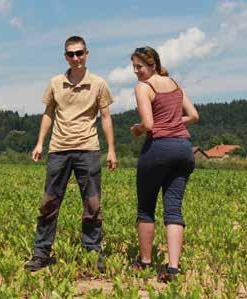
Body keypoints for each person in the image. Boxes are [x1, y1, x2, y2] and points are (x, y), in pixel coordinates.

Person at [24, 35, 117, 273]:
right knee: (49, 204)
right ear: (65, 56)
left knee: (92, 205)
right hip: (59, 149)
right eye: (70, 54)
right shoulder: (55, 82)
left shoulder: (98, 83)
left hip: (88, 149)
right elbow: (48, 114)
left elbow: (106, 118)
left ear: (87, 54)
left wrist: (111, 150)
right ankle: (41, 253)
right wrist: (39, 143)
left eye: (79, 53)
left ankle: (93, 253)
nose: (75, 58)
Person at [129, 46, 199, 282]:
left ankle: (146, 262)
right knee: (173, 208)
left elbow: (148, 124)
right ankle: (173, 269)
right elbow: (194, 116)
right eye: (134, 67)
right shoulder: (175, 84)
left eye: (139, 67)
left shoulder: (143, 88)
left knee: (146, 207)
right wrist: (171, 122)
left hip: (158, 149)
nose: (136, 71)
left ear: (152, 66)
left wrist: (138, 129)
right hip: (183, 149)